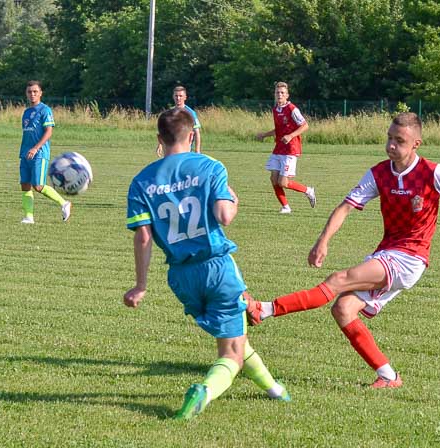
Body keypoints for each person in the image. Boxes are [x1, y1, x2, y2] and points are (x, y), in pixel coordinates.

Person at [248, 112, 440, 388]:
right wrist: (323, 239)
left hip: (410, 257)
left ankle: (266, 309)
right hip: (387, 253)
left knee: (338, 280)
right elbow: (346, 206)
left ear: (416, 144)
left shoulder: (433, 173)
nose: (391, 146)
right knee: (344, 309)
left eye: (399, 140)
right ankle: (388, 375)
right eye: (389, 138)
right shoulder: (379, 173)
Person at [124, 108, 289, 420]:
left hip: (180, 277)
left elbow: (143, 237)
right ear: (191, 136)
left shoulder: (141, 181)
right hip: (216, 268)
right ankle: (204, 392)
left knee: (235, 334)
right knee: (231, 354)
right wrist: (235, 200)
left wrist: (141, 285)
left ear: (159, 139)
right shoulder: (210, 166)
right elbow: (225, 215)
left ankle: (275, 390)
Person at [256, 81, 316, 214]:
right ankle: (285, 207)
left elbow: (305, 126)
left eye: (282, 93)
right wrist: (264, 135)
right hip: (279, 148)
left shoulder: (292, 109)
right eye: (277, 92)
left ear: (287, 95)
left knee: (283, 182)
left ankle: (308, 190)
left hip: (290, 149)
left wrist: (290, 136)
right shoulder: (275, 109)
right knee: (273, 179)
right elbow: (278, 130)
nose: (279, 95)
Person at [19, 80, 71, 224]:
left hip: (39, 153)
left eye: (35, 91)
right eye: (29, 92)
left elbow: (48, 132)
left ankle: (64, 203)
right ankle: (29, 217)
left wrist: (36, 148)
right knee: (25, 185)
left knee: (38, 186)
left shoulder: (45, 110)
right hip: (25, 153)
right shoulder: (26, 112)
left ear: (40, 93)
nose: (32, 94)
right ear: (26, 93)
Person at [156, 86, 201, 157]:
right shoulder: (170, 113)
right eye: (176, 96)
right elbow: (164, 131)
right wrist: (160, 145)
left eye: (180, 96)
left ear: (185, 97)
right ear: (173, 97)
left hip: (186, 151)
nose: (178, 98)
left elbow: (197, 133)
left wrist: (197, 151)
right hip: (171, 150)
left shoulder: (191, 113)